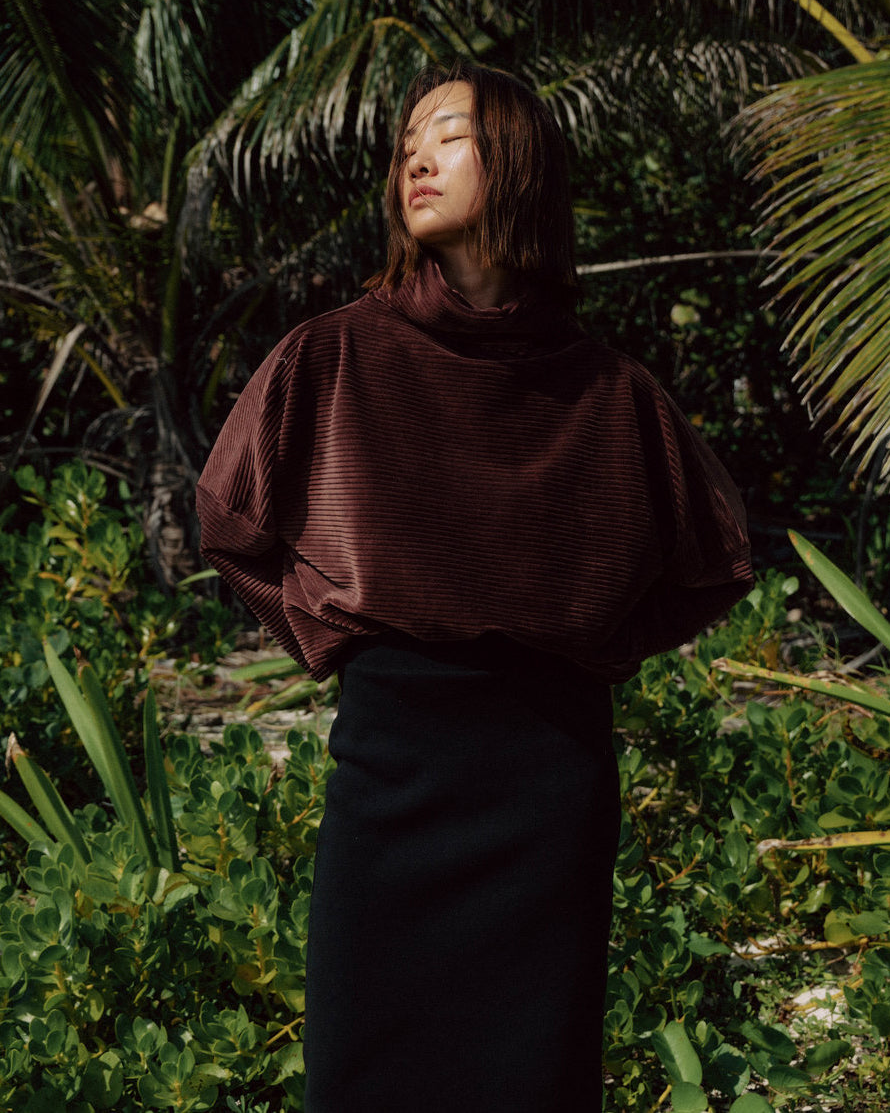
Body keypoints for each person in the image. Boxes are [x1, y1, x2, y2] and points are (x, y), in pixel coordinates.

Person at [196, 62, 754, 1112]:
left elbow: (714, 561)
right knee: (363, 1075)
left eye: (446, 133)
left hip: (548, 784)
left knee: (530, 1081)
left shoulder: (608, 391)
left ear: (519, 161)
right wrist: (333, 628)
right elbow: (228, 516)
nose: (414, 155)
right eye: (406, 141)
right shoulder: (338, 353)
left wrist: (593, 639)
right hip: (391, 773)